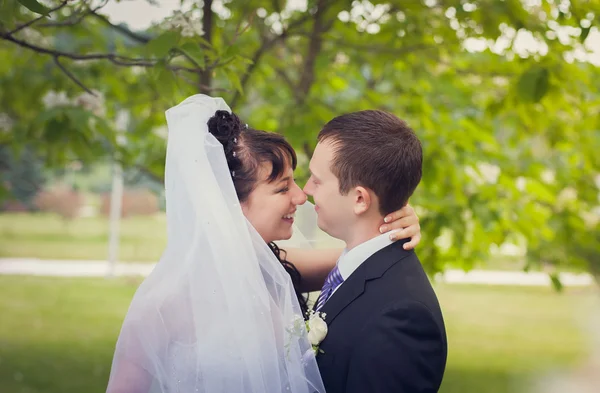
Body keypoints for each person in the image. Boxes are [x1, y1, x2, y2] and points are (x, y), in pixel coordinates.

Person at [105, 95, 421, 393]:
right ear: (229, 204)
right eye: (283, 188)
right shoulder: (162, 304)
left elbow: (360, 260)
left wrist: (392, 218)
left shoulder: (276, 268)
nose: (301, 196)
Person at [304, 110, 447, 392]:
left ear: (359, 199)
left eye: (317, 180)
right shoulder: (357, 269)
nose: (306, 189)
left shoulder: (401, 318)